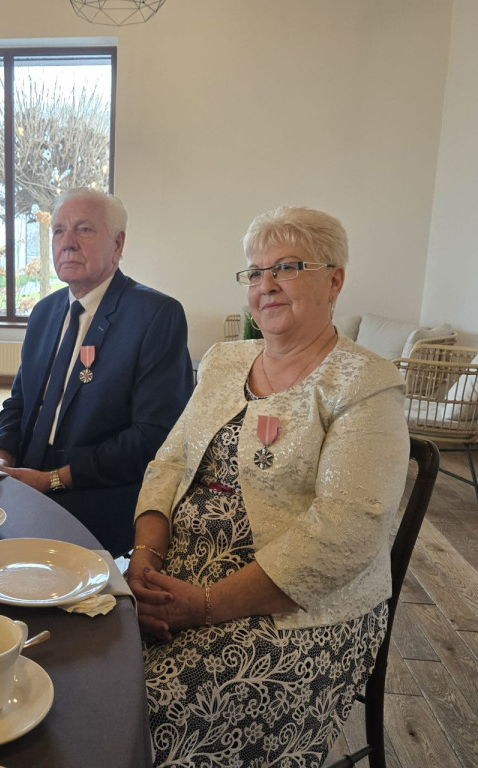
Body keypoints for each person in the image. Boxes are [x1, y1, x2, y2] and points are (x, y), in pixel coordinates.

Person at [129, 206, 409, 767]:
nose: (266, 285)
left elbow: (345, 532)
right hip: (174, 579)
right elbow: (167, 463)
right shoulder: (224, 360)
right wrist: (144, 557)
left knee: (138, 707)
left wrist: (206, 605)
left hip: (301, 611)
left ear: (335, 280)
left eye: (286, 266)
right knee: (74, 658)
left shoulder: (366, 382)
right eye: (254, 272)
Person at [0, 188, 194, 555]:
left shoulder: (155, 315)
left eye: (84, 230)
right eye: (59, 231)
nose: (68, 243)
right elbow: (19, 403)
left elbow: (153, 436)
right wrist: (0, 461)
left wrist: (53, 480)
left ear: (118, 243)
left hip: (95, 490)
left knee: (14, 557)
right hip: (23, 478)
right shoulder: (44, 313)